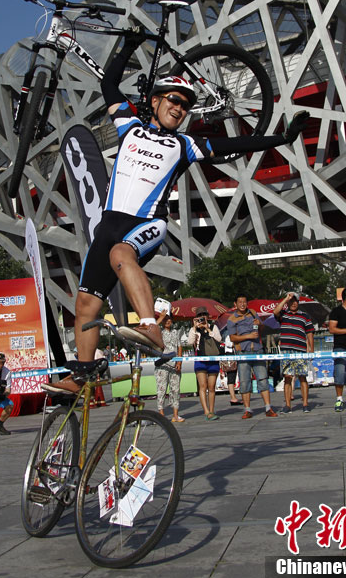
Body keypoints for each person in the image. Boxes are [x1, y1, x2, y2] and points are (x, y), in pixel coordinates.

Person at [42, 34, 309, 396]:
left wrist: (280, 139)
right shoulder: (129, 127)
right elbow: (108, 84)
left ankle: (151, 327)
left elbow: (235, 145)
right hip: (109, 224)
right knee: (86, 303)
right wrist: (129, 45)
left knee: (122, 254)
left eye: (185, 105)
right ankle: (82, 376)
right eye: (174, 100)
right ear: (154, 101)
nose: (180, 108)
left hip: (146, 223)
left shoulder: (185, 144)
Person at [227, 295, 277, 418]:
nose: (242, 304)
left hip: (257, 350)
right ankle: (248, 410)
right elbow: (233, 337)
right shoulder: (232, 319)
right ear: (235, 304)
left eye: (244, 302)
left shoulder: (253, 313)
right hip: (243, 352)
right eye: (240, 302)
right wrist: (247, 336)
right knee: (244, 382)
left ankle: (268, 408)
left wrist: (259, 324)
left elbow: (262, 329)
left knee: (263, 379)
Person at [273, 292, 314, 413]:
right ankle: (287, 405)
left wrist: (311, 349)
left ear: (298, 303)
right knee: (287, 377)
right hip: (286, 350)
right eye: (291, 301)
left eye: (295, 301)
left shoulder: (305, 316)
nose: (293, 303)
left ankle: (305, 404)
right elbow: (275, 312)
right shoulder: (283, 315)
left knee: (302, 377)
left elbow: (310, 332)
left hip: (300, 350)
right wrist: (286, 299)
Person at [187, 306, 223, 421]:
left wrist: (208, 329)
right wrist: (194, 328)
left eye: (204, 315)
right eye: (199, 316)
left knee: (212, 386)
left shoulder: (213, 327)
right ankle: (206, 411)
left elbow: (219, 339)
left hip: (212, 359)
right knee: (203, 386)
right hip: (200, 359)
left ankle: (212, 410)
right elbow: (189, 342)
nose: (202, 318)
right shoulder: (194, 330)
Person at [155, 311, 184, 422]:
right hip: (162, 364)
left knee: (175, 389)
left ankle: (175, 415)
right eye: (165, 319)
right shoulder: (159, 332)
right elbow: (151, 330)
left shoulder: (176, 332)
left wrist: (179, 362)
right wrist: (160, 317)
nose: (167, 321)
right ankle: (161, 414)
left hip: (174, 364)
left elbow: (179, 347)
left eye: (169, 319)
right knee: (161, 389)